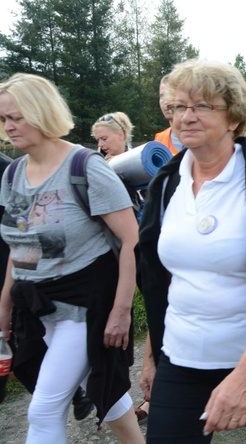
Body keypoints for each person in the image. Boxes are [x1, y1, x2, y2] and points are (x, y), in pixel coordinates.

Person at [138, 59, 246, 442]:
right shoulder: (165, 184)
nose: (187, 116)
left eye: (202, 106)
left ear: (233, 118)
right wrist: (152, 359)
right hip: (181, 358)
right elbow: (159, 280)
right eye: (179, 107)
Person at [0, 73, 143, 443]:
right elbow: (23, 245)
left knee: (43, 410)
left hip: (84, 311)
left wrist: (121, 312)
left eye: (17, 116)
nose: (8, 126)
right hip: (38, 310)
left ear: (42, 112)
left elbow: (131, 241)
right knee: (108, 398)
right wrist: (5, 305)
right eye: (3, 119)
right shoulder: (14, 174)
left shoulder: (85, 167)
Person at [153, 75, 183, 155]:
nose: (165, 101)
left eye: (170, 95)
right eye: (162, 96)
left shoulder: (197, 135)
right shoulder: (159, 139)